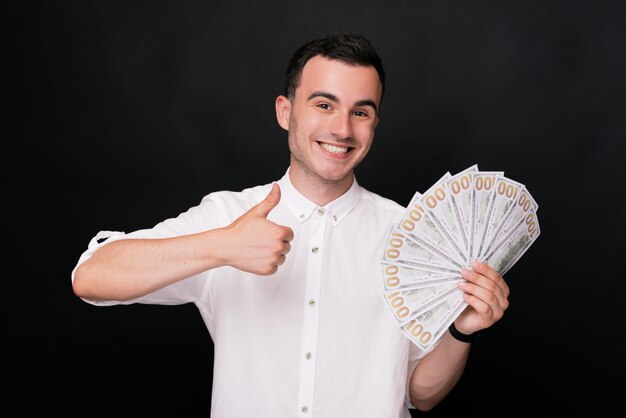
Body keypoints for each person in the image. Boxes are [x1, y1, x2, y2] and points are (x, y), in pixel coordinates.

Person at [72, 31, 510, 417]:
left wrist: (460, 329)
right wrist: (220, 247)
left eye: (361, 112)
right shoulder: (228, 217)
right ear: (286, 112)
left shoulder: (411, 234)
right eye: (324, 104)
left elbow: (420, 394)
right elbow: (92, 276)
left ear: (375, 123)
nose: (341, 129)